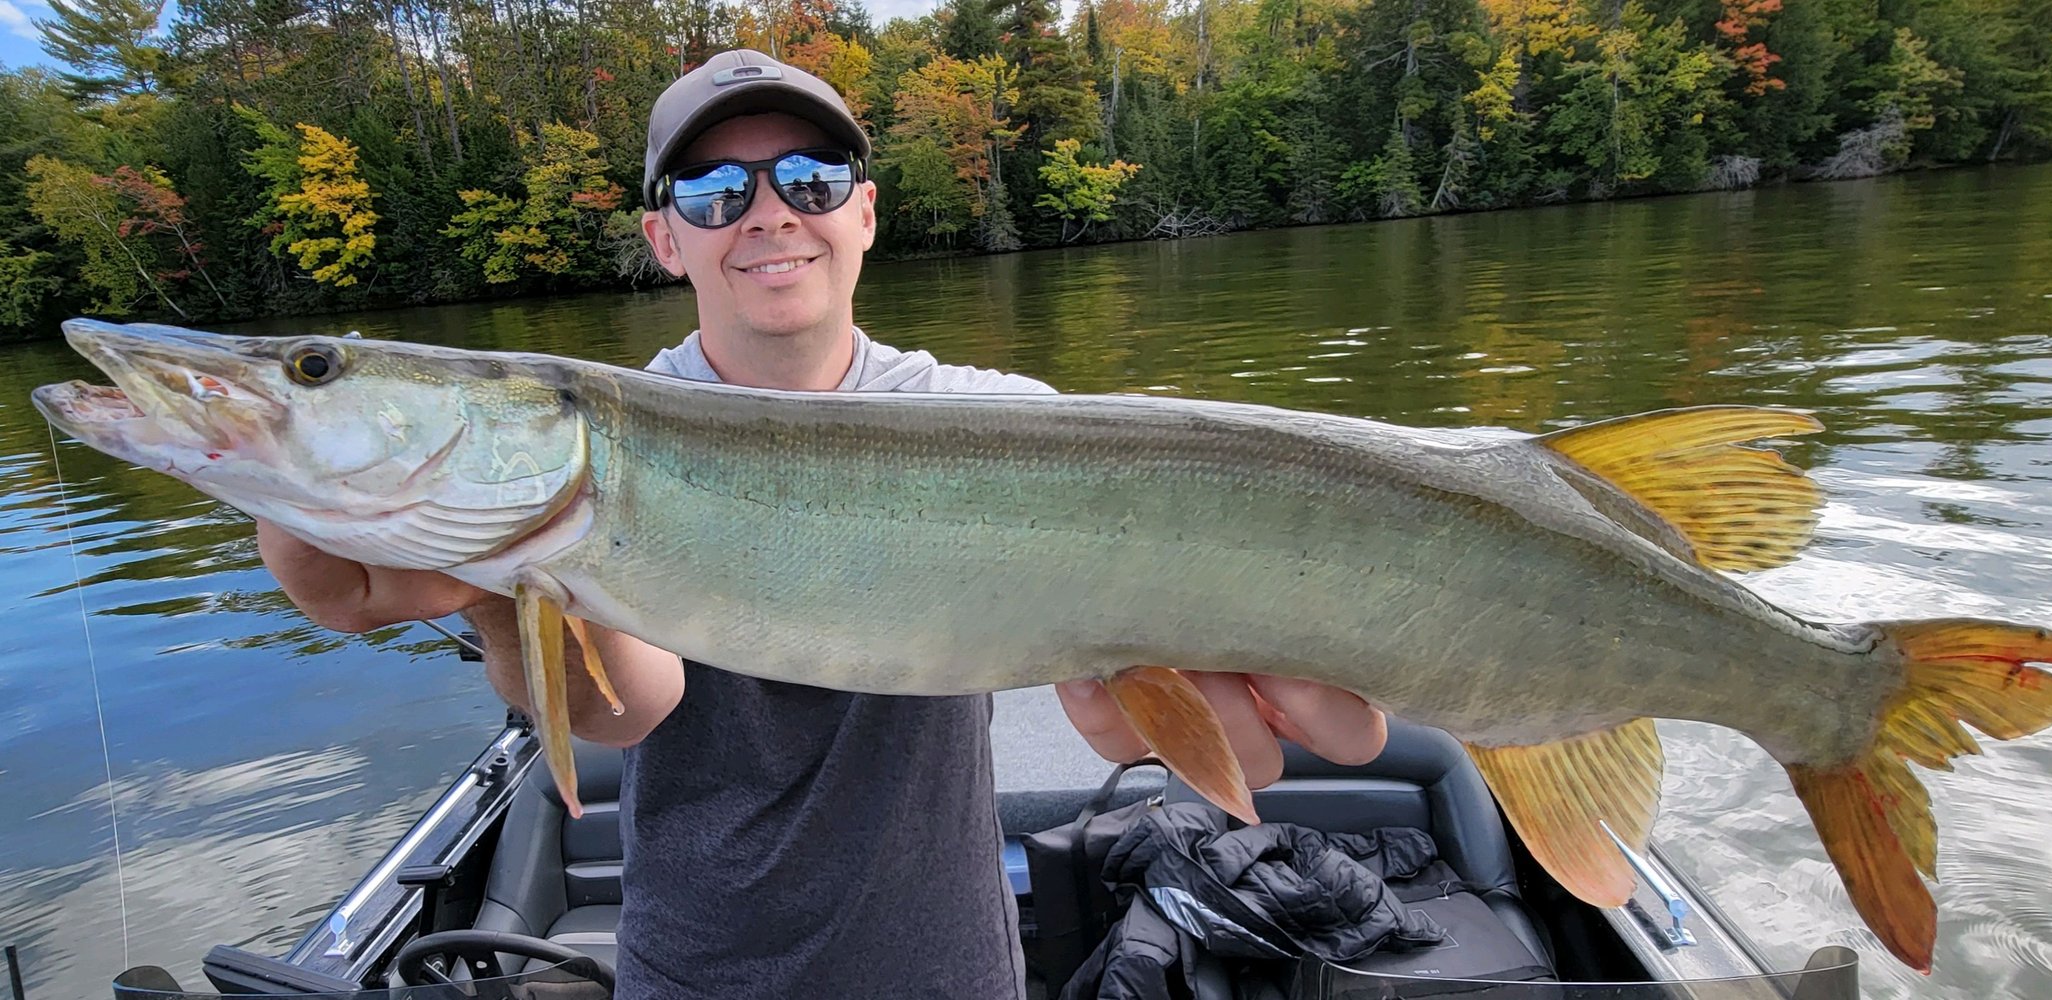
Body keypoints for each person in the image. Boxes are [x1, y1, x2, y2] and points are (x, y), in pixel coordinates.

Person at [256, 49, 1388, 999]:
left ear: (864, 211)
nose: (766, 215)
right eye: (713, 193)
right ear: (667, 240)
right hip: (697, 971)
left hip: (952, 966)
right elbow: (632, 706)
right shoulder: (579, 445)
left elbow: (1153, 688)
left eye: (809, 176)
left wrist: (1185, 700)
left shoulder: (997, 424)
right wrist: (494, 590)